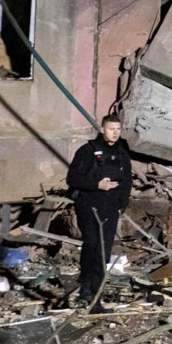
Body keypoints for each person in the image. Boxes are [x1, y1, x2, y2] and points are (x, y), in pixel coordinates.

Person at [66, 114, 132, 311]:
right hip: (89, 206)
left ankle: (95, 291)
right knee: (92, 245)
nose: (115, 133)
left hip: (110, 209)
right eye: (111, 129)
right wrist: (96, 185)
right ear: (103, 129)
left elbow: (127, 182)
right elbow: (72, 178)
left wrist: (121, 205)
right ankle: (88, 288)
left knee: (104, 251)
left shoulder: (122, 154)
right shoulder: (88, 151)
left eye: (118, 129)